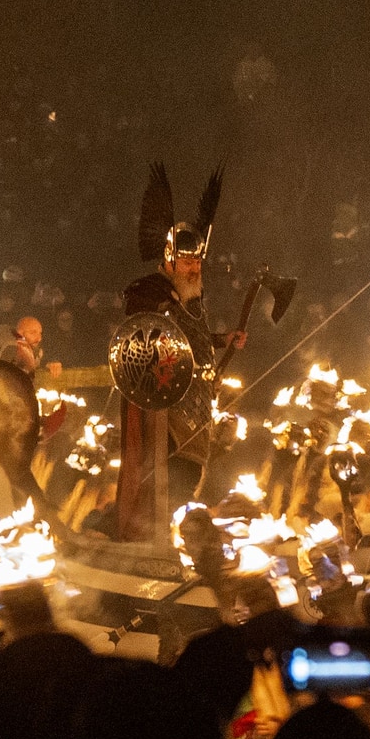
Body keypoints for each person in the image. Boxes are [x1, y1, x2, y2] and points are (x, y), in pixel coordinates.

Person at [115, 163, 243, 540]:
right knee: (166, 478)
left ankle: (173, 540)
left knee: (188, 477)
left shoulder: (191, 298)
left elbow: (192, 337)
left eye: (198, 262)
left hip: (196, 402)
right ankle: (153, 540)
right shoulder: (149, 293)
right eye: (187, 262)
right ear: (169, 261)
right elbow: (149, 342)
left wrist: (224, 340)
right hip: (164, 407)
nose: (193, 268)